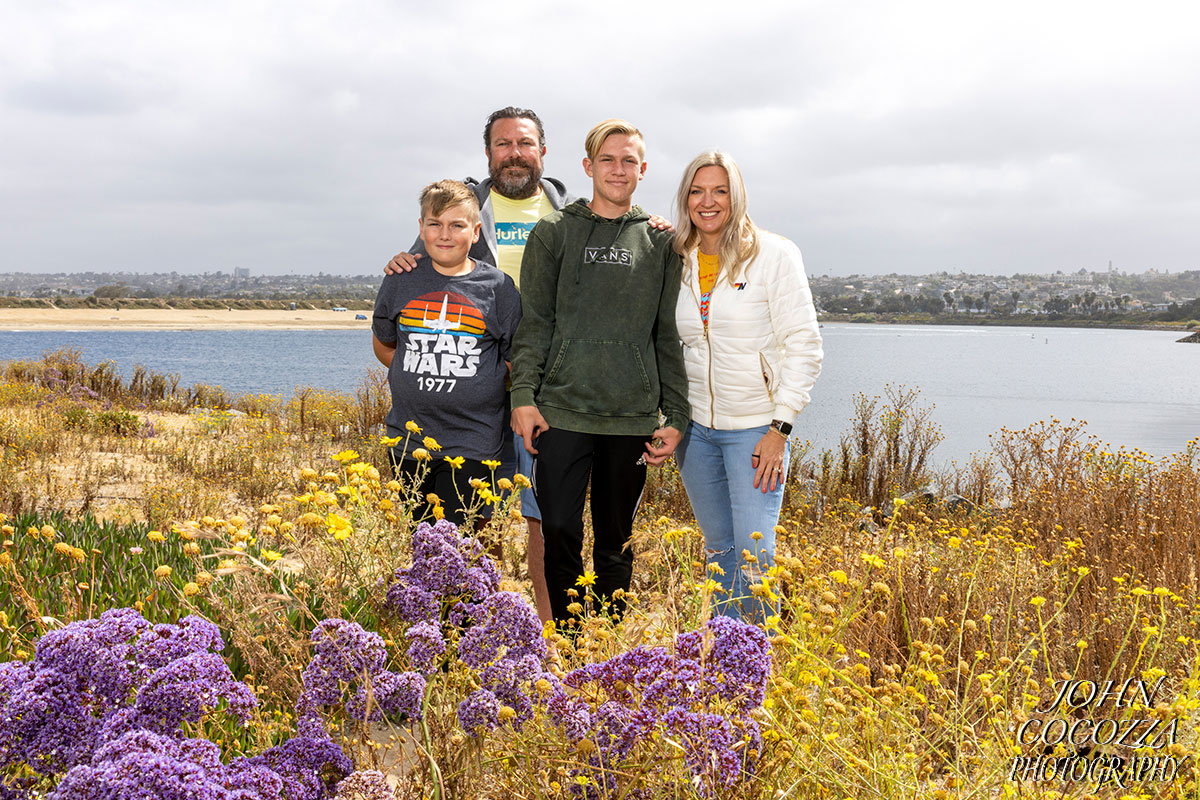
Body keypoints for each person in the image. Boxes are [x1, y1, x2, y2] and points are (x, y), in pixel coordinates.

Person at [383, 107, 669, 622]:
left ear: (544, 152)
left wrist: (651, 225)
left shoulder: (566, 213)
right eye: (502, 144)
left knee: (543, 517)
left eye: (525, 144)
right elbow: (425, 264)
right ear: (488, 153)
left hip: (547, 389)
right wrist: (401, 265)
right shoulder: (467, 207)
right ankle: (482, 620)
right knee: (477, 510)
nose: (514, 154)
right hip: (478, 391)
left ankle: (545, 628)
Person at [510, 119, 690, 625]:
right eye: (607, 159)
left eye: (628, 160)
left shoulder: (660, 243)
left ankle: (606, 649)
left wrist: (676, 414)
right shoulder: (553, 232)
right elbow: (536, 323)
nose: (617, 169)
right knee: (561, 530)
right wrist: (523, 396)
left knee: (616, 543)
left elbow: (665, 335)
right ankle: (567, 641)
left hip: (630, 417)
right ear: (588, 166)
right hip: (561, 411)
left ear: (643, 169)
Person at [671, 151, 823, 624]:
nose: (708, 201)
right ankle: (724, 669)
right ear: (685, 199)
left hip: (756, 432)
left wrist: (780, 429)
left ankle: (759, 672)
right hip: (696, 433)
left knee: (756, 558)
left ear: (737, 197)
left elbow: (804, 346)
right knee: (719, 555)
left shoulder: (774, 254)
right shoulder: (678, 257)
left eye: (720, 191)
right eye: (697, 191)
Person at [372, 180, 521, 526]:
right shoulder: (401, 279)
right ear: (421, 227)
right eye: (434, 224)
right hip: (408, 441)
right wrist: (419, 368)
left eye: (457, 225)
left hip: (473, 441)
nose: (445, 234)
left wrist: (483, 381)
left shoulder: (498, 288)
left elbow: (515, 357)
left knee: (456, 537)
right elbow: (385, 342)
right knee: (421, 535)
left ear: (476, 231)